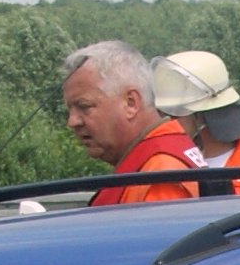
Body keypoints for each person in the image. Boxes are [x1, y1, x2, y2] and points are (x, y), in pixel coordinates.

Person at [62, 41, 202, 203]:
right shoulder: (155, 162)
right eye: (70, 110)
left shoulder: (161, 175)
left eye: (84, 106)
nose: (72, 121)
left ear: (131, 103)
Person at [153, 50, 240, 193]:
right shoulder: (162, 169)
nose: (166, 123)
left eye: (174, 114)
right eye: (160, 113)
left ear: (203, 115)